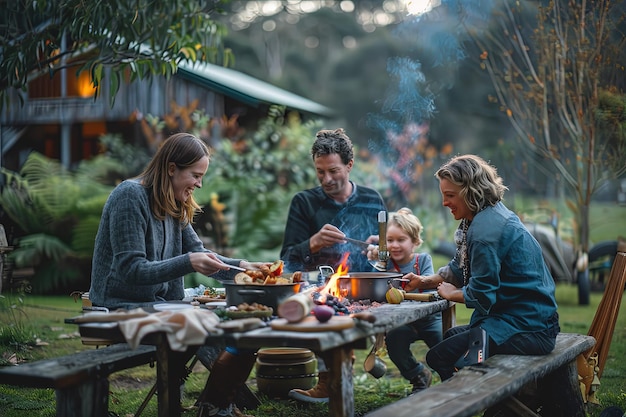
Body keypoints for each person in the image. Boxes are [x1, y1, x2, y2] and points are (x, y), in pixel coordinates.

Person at [89, 132, 269, 417]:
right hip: (120, 307)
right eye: (195, 175)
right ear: (172, 168)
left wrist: (242, 266)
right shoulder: (129, 196)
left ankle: (214, 406)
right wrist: (188, 262)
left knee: (249, 321)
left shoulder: (172, 201)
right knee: (217, 325)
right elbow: (130, 269)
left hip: (164, 304)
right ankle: (210, 407)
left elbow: (200, 252)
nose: (199, 184)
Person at [404, 154, 559, 382]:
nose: (444, 203)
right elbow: (460, 268)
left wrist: (450, 294)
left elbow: (481, 296)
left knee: (438, 357)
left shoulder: (485, 233)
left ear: (471, 191)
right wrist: (424, 281)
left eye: (450, 196)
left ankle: (463, 400)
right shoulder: (485, 216)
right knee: (451, 336)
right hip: (525, 320)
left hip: (528, 329)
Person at [280, 128, 386, 403]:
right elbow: (287, 259)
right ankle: (329, 380)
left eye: (333, 171)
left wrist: (380, 251)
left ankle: (335, 379)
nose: (326, 179)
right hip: (322, 288)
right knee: (319, 305)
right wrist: (313, 243)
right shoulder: (304, 203)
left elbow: (389, 256)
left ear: (349, 165)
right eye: (320, 172)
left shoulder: (372, 199)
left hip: (365, 287)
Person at [367, 208, 441, 393]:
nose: (394, 245)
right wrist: (378, 260)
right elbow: (375, 286)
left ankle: (452, 377)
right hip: (402, 322)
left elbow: (429, 283)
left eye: (401, 240)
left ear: (415, 242)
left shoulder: (422, 260)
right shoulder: (386, 264)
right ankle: (418, 375)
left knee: (443, 346)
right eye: (390, 241)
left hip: (429, 320)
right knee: (394, 342)